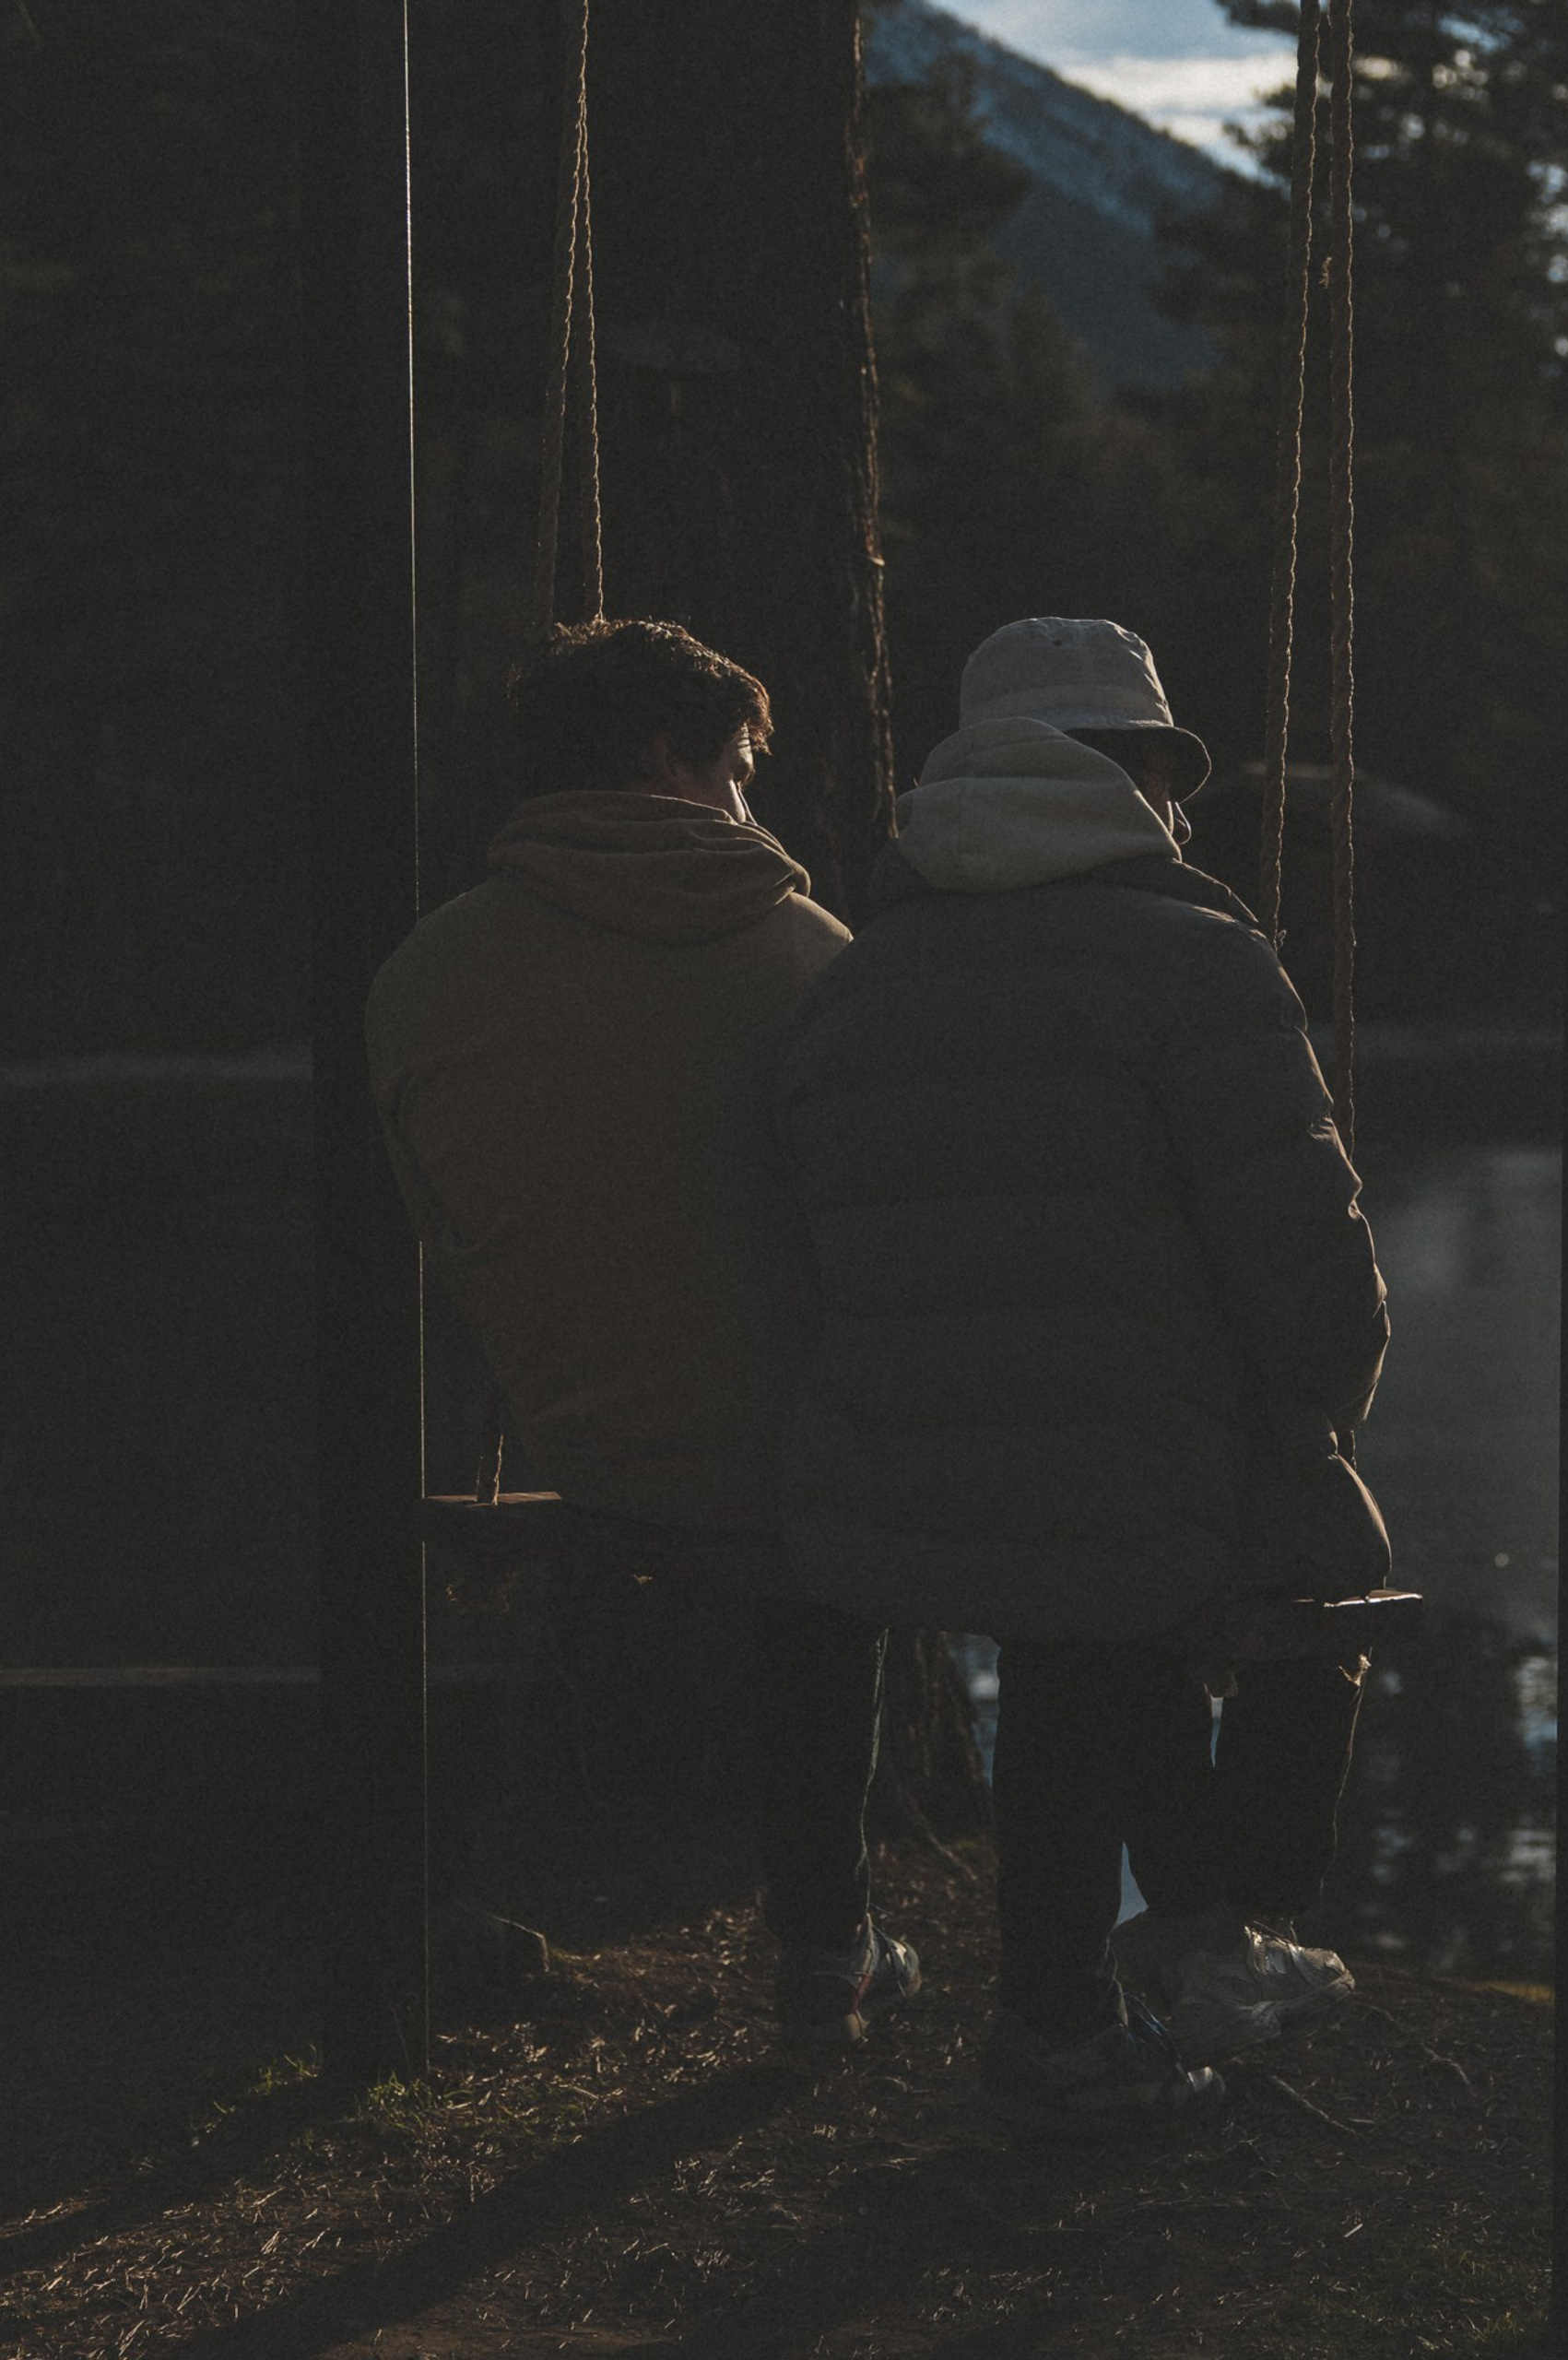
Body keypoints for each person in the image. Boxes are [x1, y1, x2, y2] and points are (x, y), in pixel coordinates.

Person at [773, 616, 1390, 2134]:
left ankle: (1089, 1988)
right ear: (1133, 780)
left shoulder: (857, 975)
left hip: (889, 1466)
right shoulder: (1193, 959)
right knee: (1316, 1568)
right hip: (1106, 1483)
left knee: (1084, 1578)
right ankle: (1194, 1933)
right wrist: (1320, 1407)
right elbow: (1306, 1261)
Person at [366, 617, 917, 2050]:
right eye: (739, 766)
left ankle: (472, 1881)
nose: (752, 801)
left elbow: (439, 1220)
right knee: (831, 1561)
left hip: (579, 1434)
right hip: (791, 1455)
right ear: (672, 758)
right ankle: (824, 1941)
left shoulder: (427, 972)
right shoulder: (813, 959)